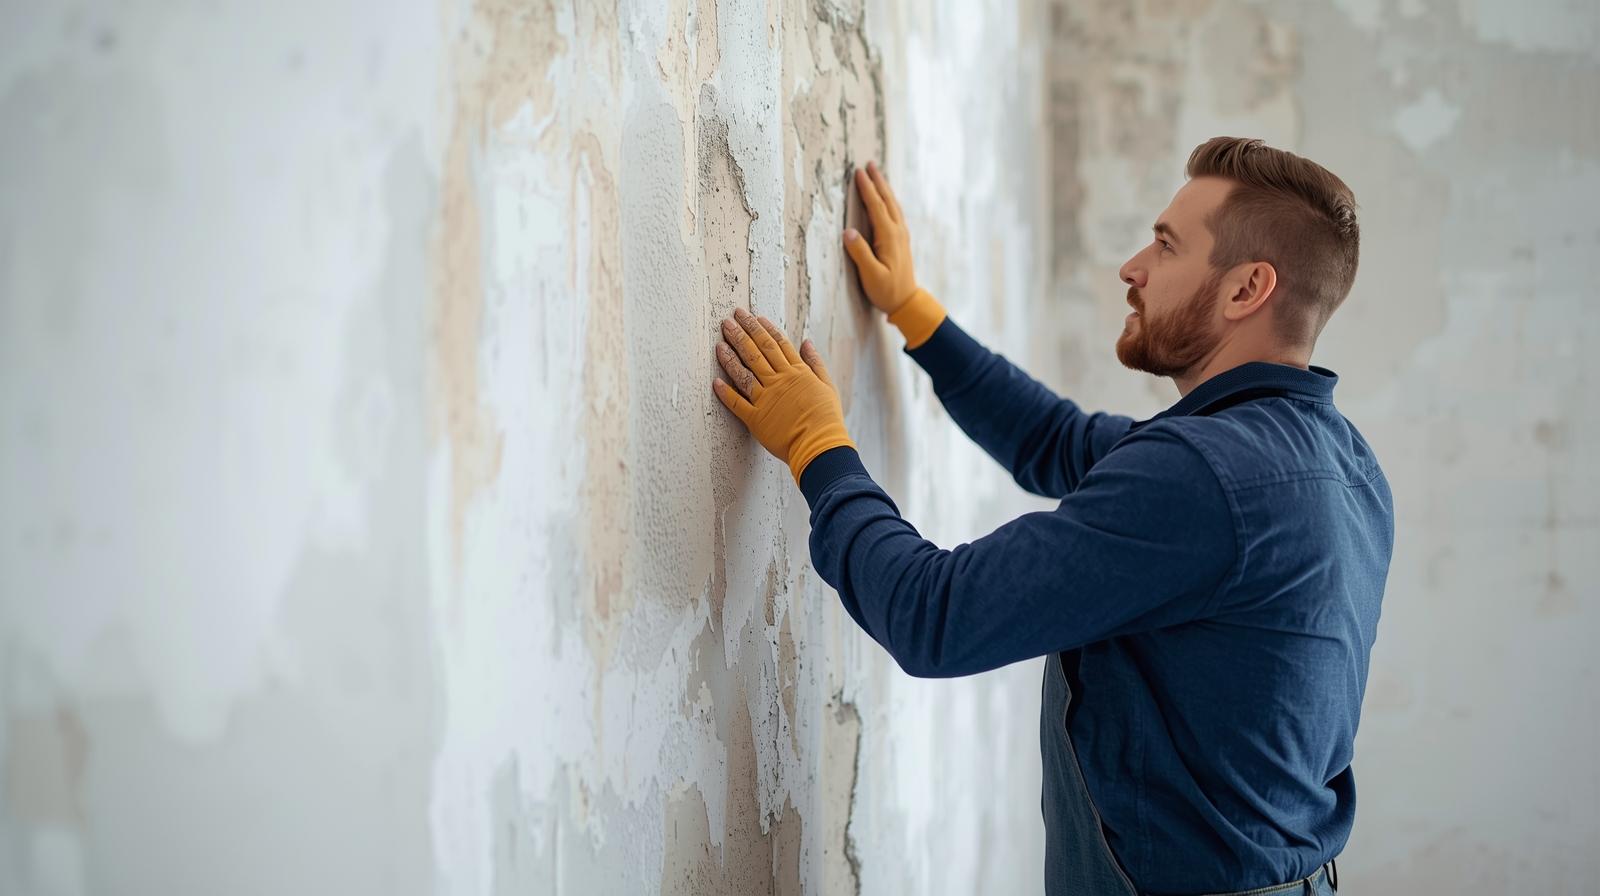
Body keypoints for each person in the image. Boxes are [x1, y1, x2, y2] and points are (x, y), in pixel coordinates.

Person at [710, 137, 1391, 896]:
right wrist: (914, 312)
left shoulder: (1207, 476)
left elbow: (936, 615)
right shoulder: (1338, 463)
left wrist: (818, 446)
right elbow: (1057, 440)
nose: (1133, 268)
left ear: (1245, 291)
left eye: (1167, 246)